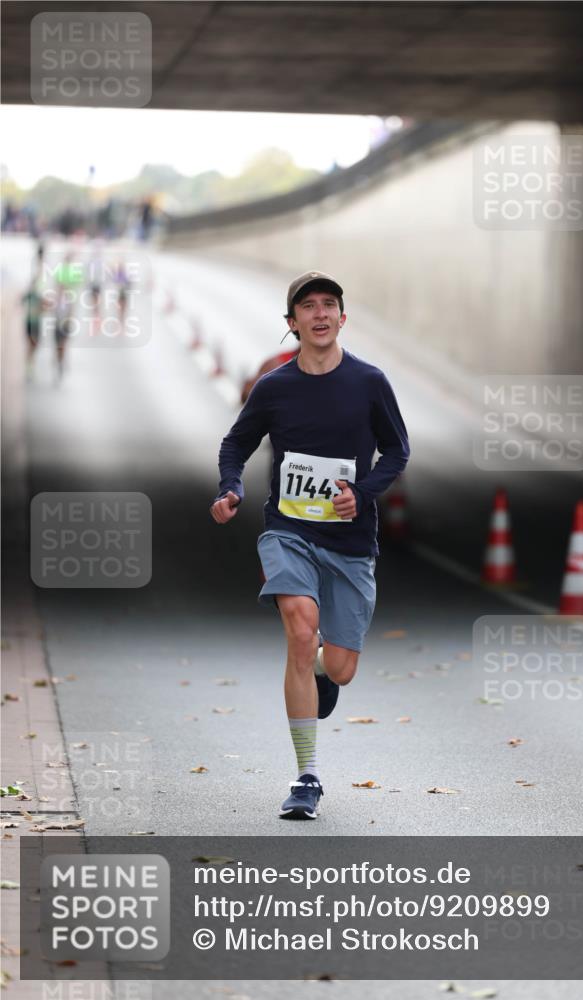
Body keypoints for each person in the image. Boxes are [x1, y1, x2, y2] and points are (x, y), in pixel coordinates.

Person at [210, 271, 409, 820]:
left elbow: (396, 451)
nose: (319, 314)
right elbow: (236, 443)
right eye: (307, 306)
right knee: (301, 629)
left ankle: (324, 670)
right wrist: (231, 487)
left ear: (342, 318)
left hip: (349, 542)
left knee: (339, 667)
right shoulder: (275, 388)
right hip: (289, 531)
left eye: (329, 305)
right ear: (292, 322)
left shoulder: (369, 382)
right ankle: (307, 776)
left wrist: (362, 494)